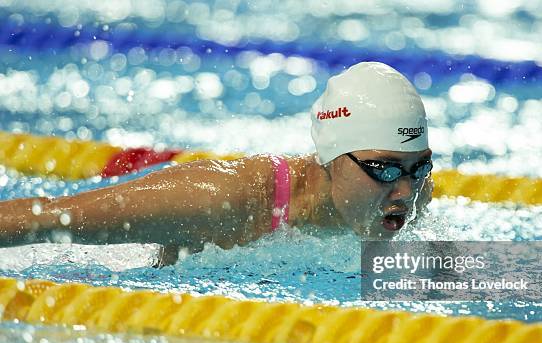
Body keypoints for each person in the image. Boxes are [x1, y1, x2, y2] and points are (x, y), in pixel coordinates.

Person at [0, 62, 433, 261]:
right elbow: (51, 216)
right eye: (383, 169)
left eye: (419, 168)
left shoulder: (410, 194)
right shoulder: (219, 201)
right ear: (330, 157)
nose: (405, 192)